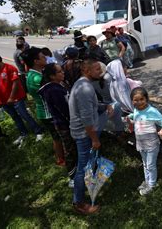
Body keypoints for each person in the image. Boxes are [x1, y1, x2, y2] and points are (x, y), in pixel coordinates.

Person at [0, 53, 43, 145]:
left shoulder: (10, 68)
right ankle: (23, 134)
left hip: (16, 98)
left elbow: (16, 83)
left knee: (24, 115)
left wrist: (11, 98)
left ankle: (38, 131)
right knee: (15, 117)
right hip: (4, 101)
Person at [69, 58, 102, 215]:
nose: (100, 71)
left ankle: (83, 192)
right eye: (97, 69)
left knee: (85, 165)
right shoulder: (85, 89)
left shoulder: (82, 83)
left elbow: (90, 109)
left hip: (82, 132)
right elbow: (86, 118)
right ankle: (79, 202)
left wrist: (105, 106)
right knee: (83, 168)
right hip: (84, 134)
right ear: (87, 71)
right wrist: (94, 139)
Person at [22, 47, 64, 165]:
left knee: (57, 137)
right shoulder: (37, 78)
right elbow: (54, 92)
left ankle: (61, 156)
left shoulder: (32, 74)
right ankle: (60, 159)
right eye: (42, 57)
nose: (45, 57)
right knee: (58, 137)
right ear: (36, 61)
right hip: (48, 113)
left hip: (45, 111)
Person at [39, 63, 78, 187]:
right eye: (60, 72)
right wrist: (73, 122)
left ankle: (78, 171)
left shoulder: (59, 85)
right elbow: (63, 110)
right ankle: (72, 177)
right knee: (70, 149)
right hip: (64, 125)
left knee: (73, 148)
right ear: (52, 76)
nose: (63, 73)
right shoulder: (53, 90)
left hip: (69, 122)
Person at [127, 87, 162, 195]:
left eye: (142, 99)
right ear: (132, 101)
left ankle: (152, 184)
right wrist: (130, 116)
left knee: (150, 165)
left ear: (146, 99)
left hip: (151, 144)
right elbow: (136, 115)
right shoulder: (136, 110)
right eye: (136, 100)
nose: (139, 102)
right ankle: (147, 181)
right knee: (145, 164)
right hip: (141, 143)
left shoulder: (151, 111)